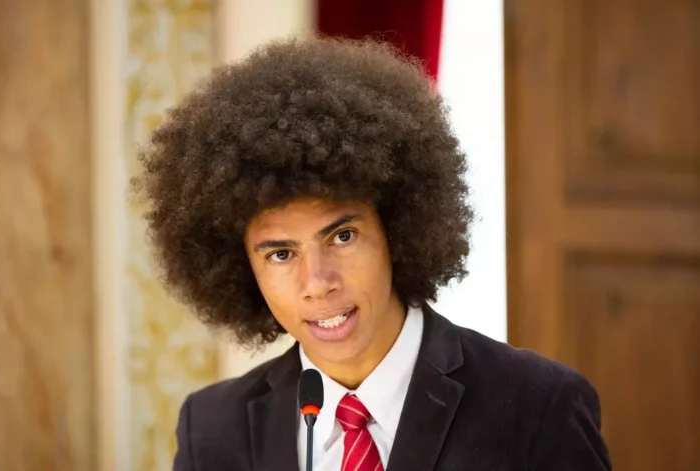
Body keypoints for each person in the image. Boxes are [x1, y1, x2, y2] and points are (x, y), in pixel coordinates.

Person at [136, 37, 612, 471]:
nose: (318, 282)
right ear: (242, 269)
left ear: (397, 229)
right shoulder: (213, 429)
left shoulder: (538, 407)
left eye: (342, 237)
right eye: (281, 254)